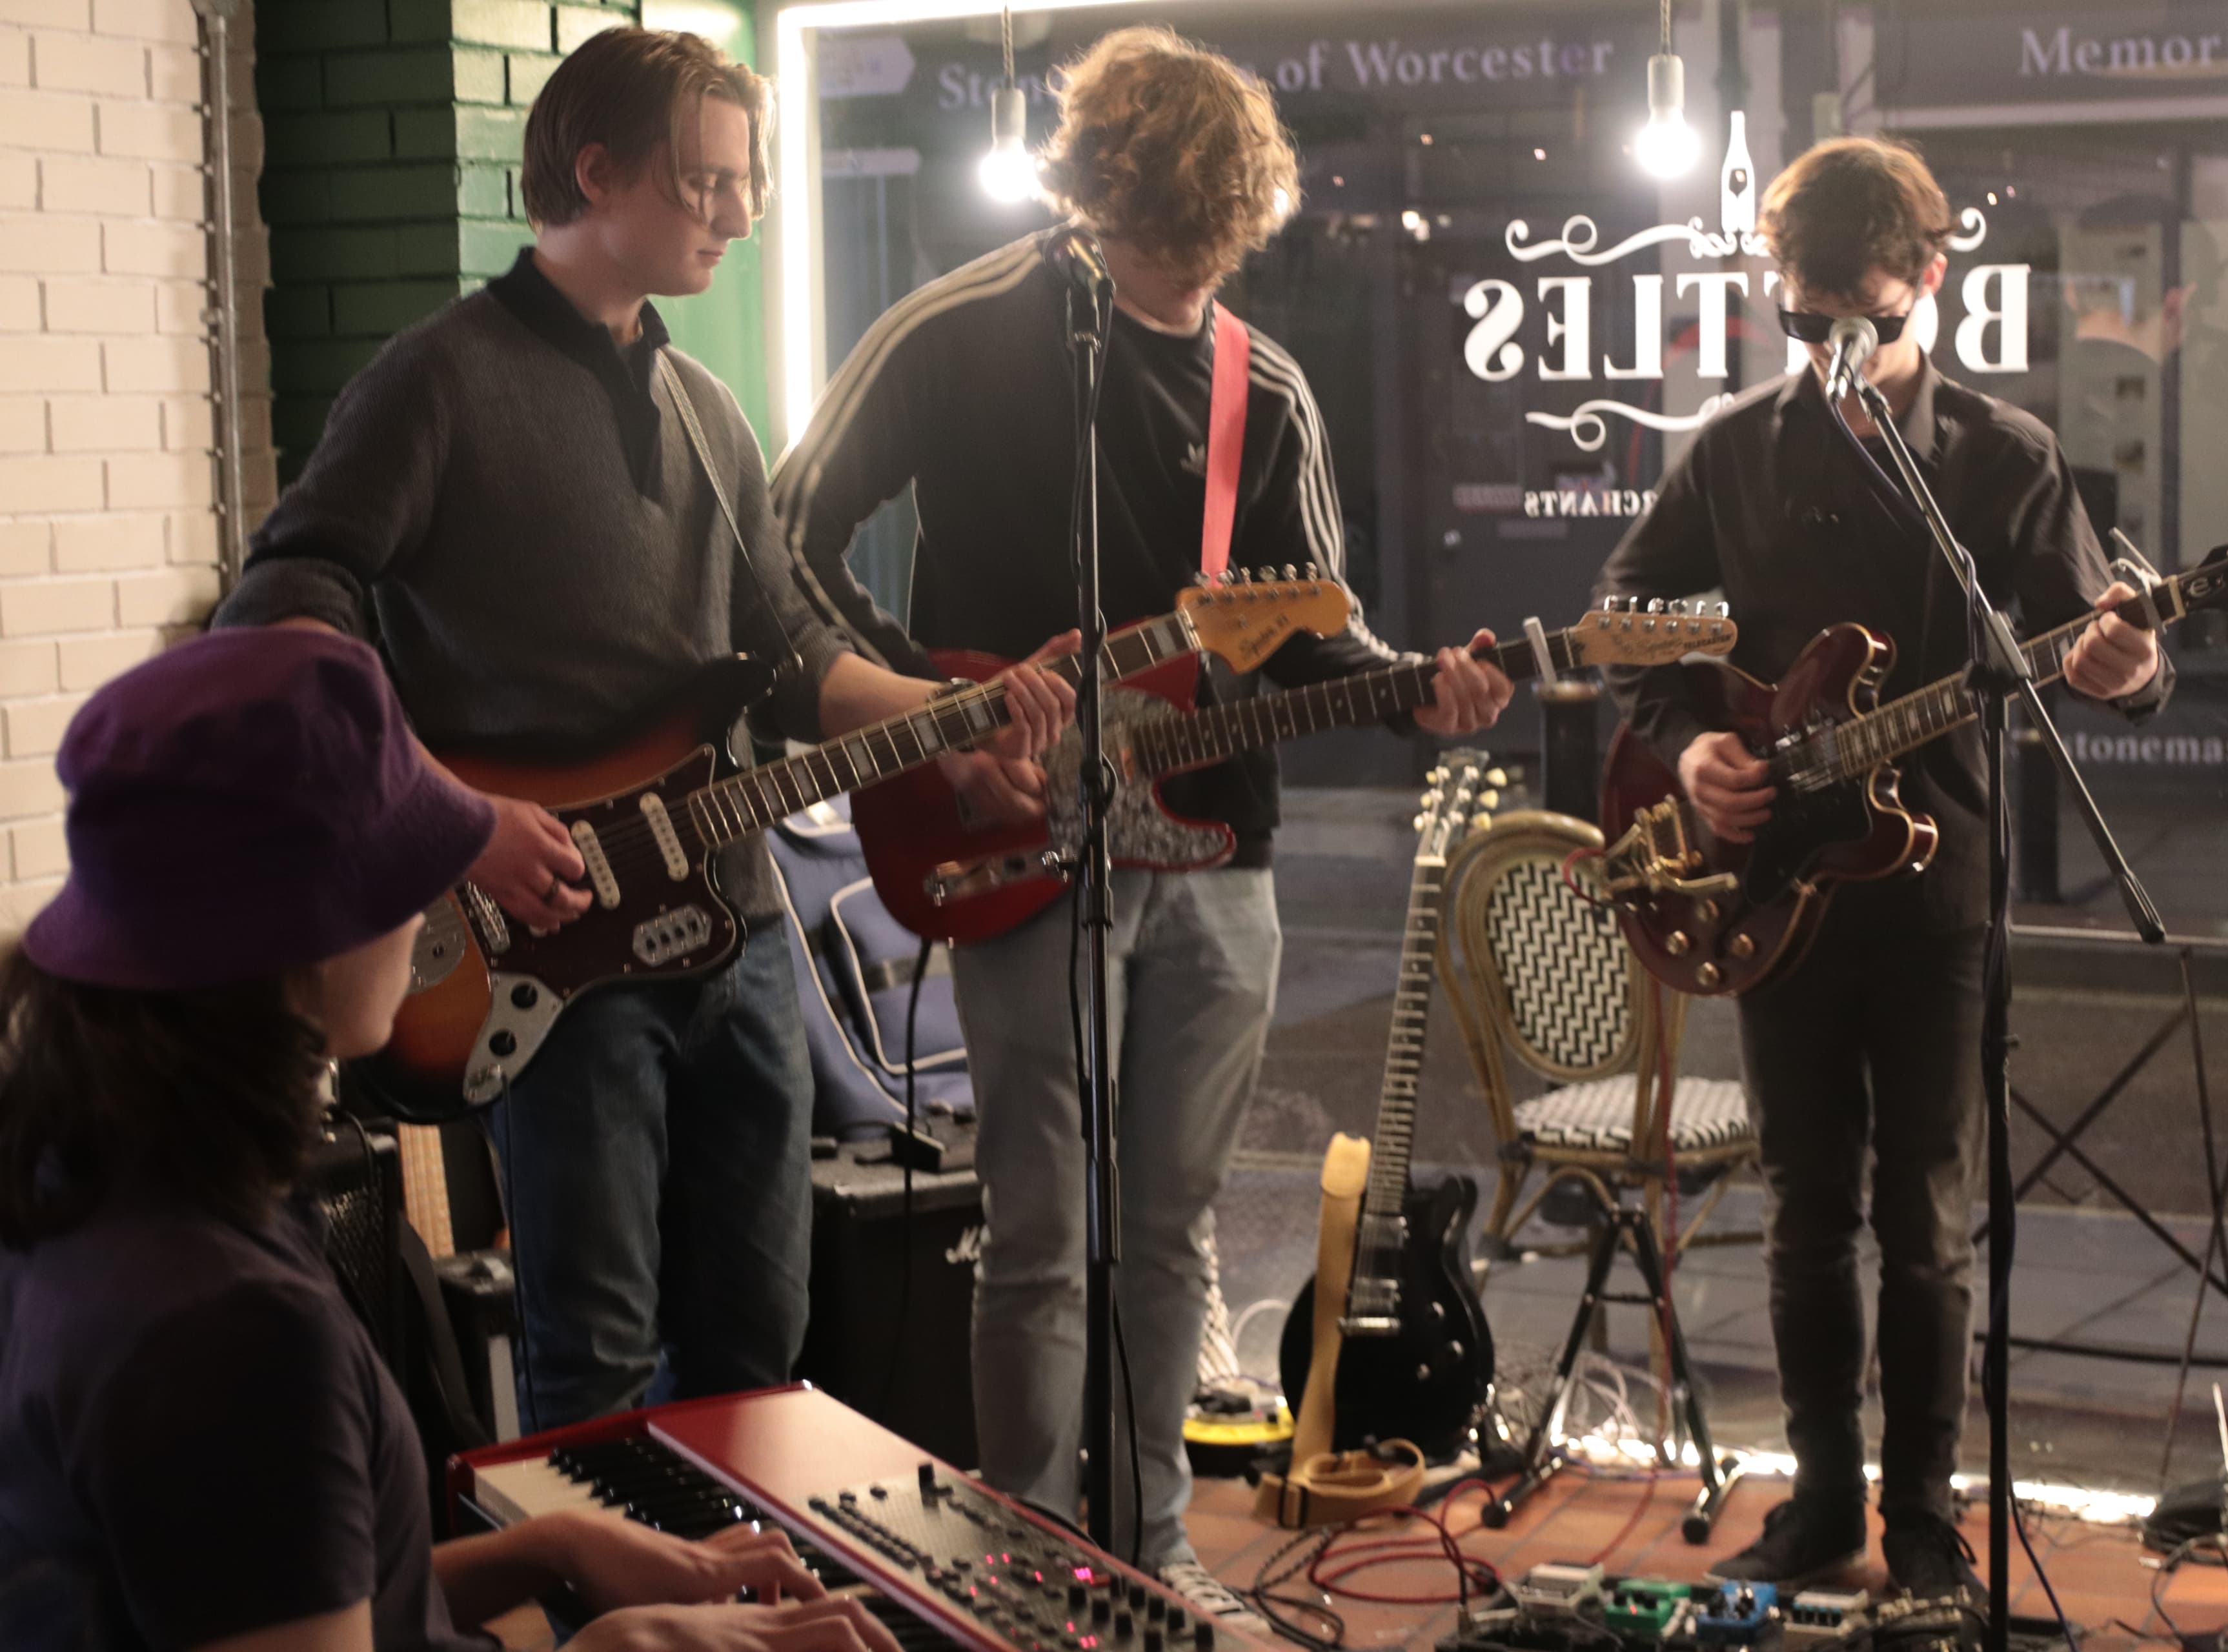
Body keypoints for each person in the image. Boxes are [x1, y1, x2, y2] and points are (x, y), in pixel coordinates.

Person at [210, 28, 1074, 1433]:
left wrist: (953, 722)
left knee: (759, 1332)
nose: (740, 213)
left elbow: (791, 658)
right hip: (556, 947)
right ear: (596, 171)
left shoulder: (706, 408)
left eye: (750, 183)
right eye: (704, 181)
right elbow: (279, 607)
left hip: (733, 929)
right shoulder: (437, 381)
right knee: (594, 1351)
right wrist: (448, 820)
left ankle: (726, 1568)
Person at [771, 25, 1512, 1615]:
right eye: (1161, 242)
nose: (1187, 277)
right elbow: (790, 535)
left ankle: (1150, 1546)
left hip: (1217, 855)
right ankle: (1027, 1559)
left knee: (1172, 1232)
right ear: (1097, 194)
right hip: (1007, 829)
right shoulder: (953, 332)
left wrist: (1419, 689)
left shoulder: (1268, 387)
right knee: (1042, 1229)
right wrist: (934, 719)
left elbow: (1308, 632)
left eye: (1212, 247)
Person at [0, 628, 906, 1652]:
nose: (435, 899)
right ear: (313, 929)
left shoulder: (86, 1185)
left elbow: (274, 1596)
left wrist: (552, 1550)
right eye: (412, 862)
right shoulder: (234, 1336)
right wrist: (609, 1648)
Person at [1596, 137, 2173, 1608]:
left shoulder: (2005, 457)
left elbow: (2100, 641)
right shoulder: (1734, 448)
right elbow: (1625, 618)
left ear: (1930, 277)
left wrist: (2132, 662)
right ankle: (1820, 1503)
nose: (1829, 347)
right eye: (1802, 320)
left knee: (1925, 1218)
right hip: (1774, 889)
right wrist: (1687, 749)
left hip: (1935, 895)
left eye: (1859, 315)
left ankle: (1922, 1519)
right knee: (1805, 1211)